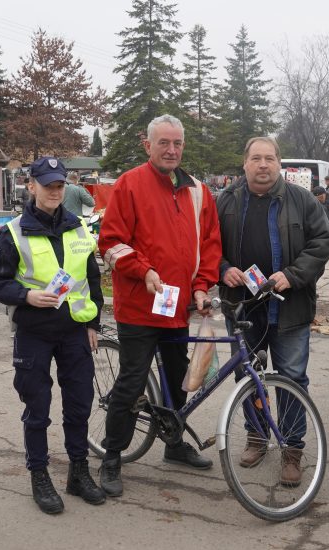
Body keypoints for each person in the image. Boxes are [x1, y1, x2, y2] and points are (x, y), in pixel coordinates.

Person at [96, 114, 222, 497]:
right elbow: (110, 243)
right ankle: (112, 456)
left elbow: (210, 246)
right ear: (147, 145)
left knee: (179, 378)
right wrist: (144, 270)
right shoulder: (129, 185)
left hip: (179, 307)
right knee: (132, 381)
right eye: (163, 143)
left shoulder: (199, 191)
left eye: (177, 143)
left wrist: (202, 288)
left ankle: (173, 443)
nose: (171, 150)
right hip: (139, 307)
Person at [0, 156, 106, 515]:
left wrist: (93, 324)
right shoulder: (14, 232)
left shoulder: (80, 228)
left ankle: (78, 472)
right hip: (34, 332)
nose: (55, 190)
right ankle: (39, 474)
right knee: (37, 409)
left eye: (59, 184)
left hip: (74, 333)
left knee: (79, 406)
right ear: (31, 186)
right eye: (48, 184)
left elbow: (92, 280)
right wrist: (27, 296)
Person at [217, 136, 329, 486]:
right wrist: (223, 268)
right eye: (256, 158)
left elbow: (324, 241)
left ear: (280, 163)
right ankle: (256, 437)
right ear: (245, 163)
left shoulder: (302, 200)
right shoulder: (225, 201)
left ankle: (293, 450)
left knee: (292, 379)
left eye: (269, 158)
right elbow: (208, 245)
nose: (263, 165)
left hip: (289, 307)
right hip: (242, 308)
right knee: (247, 379)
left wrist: (292, 275)